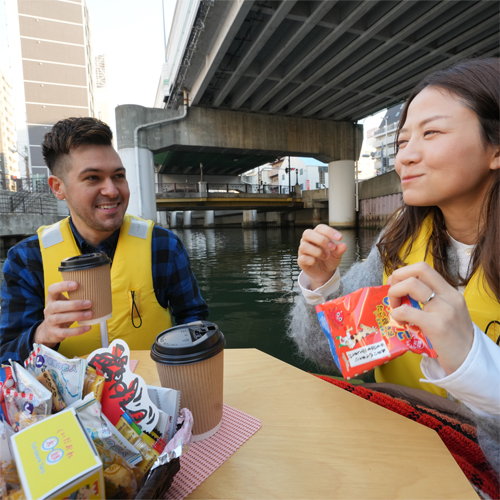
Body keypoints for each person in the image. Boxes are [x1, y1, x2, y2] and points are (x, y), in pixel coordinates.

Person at [288, 58, 500, 418]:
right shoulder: (400, 235)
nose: (404, 158)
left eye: (431, 133)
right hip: (394, 437)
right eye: (403, 141)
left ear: (495, 149)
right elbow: (331, 352)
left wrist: (473, 360)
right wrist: (322, 285)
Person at [0, 117, 209, 363]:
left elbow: (195, 321)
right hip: (68, 400)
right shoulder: (26, 259)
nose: (112, 190)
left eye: (118, 176)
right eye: (92, 178)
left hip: (150, 395)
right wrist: (42, 334)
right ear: (58, 188)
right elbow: (6, 356)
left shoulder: (163, 245)